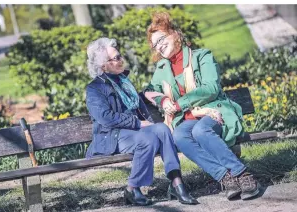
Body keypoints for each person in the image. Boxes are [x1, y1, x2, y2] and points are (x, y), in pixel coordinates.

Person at [144, 12, 260, 200]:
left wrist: (180, 103)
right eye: (155, 44)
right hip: (188, 119)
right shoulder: (162, 69)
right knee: (180, 136)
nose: (159, 46)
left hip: (215, 111)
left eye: (162, 39)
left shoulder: (202, 56)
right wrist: (163, 100)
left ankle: (243, 174)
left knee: (200, 131)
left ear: (175, 34)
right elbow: (150, 90)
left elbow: (211, 88)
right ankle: (226, 177)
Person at [85, 37, 199, 206]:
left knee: (162, 129)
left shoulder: (123, 81)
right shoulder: (94, 89)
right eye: (115, 58)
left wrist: (151, 96)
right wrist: (138, 123)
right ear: (103, 65)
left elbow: (132, 102)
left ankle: (177, 183)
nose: (121, 59)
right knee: (148, 139)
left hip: (132, 132)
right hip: (111, 136)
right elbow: (105, 118)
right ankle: (132, 188)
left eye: (119, 55)